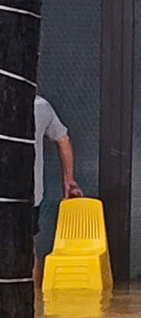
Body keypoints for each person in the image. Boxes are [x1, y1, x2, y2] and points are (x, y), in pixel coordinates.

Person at [33, 95, 85, 287]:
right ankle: (33, 307)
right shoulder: (39, 105)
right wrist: (68, 180)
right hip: (28, 195)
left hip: (25, 195)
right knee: (25, 251)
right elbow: (63, 139)